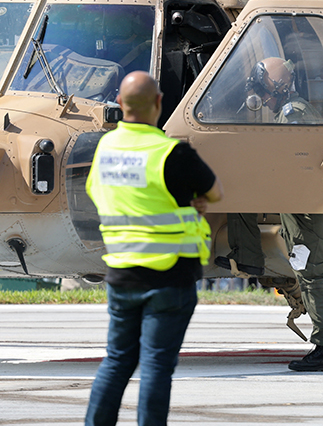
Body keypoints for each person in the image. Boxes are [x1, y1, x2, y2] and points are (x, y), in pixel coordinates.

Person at [84, 71, 223, 426]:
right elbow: (215, 192)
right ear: (159, 103)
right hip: (170, 277)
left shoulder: (104, 150)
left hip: (121, 274)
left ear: (119, 105)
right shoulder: (172, 152)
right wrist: (190, 203)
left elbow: (95, 192)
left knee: (116, 361)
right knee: (157, 367)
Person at [216, 57, 323, 372]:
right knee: (307, 274)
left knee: (312, 277)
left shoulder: (292, 114)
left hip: (304, 211)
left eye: (264, 92)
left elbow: (295, 162)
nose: (263, 99)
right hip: (300, 207)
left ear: (279, 89)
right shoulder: (294, 111)